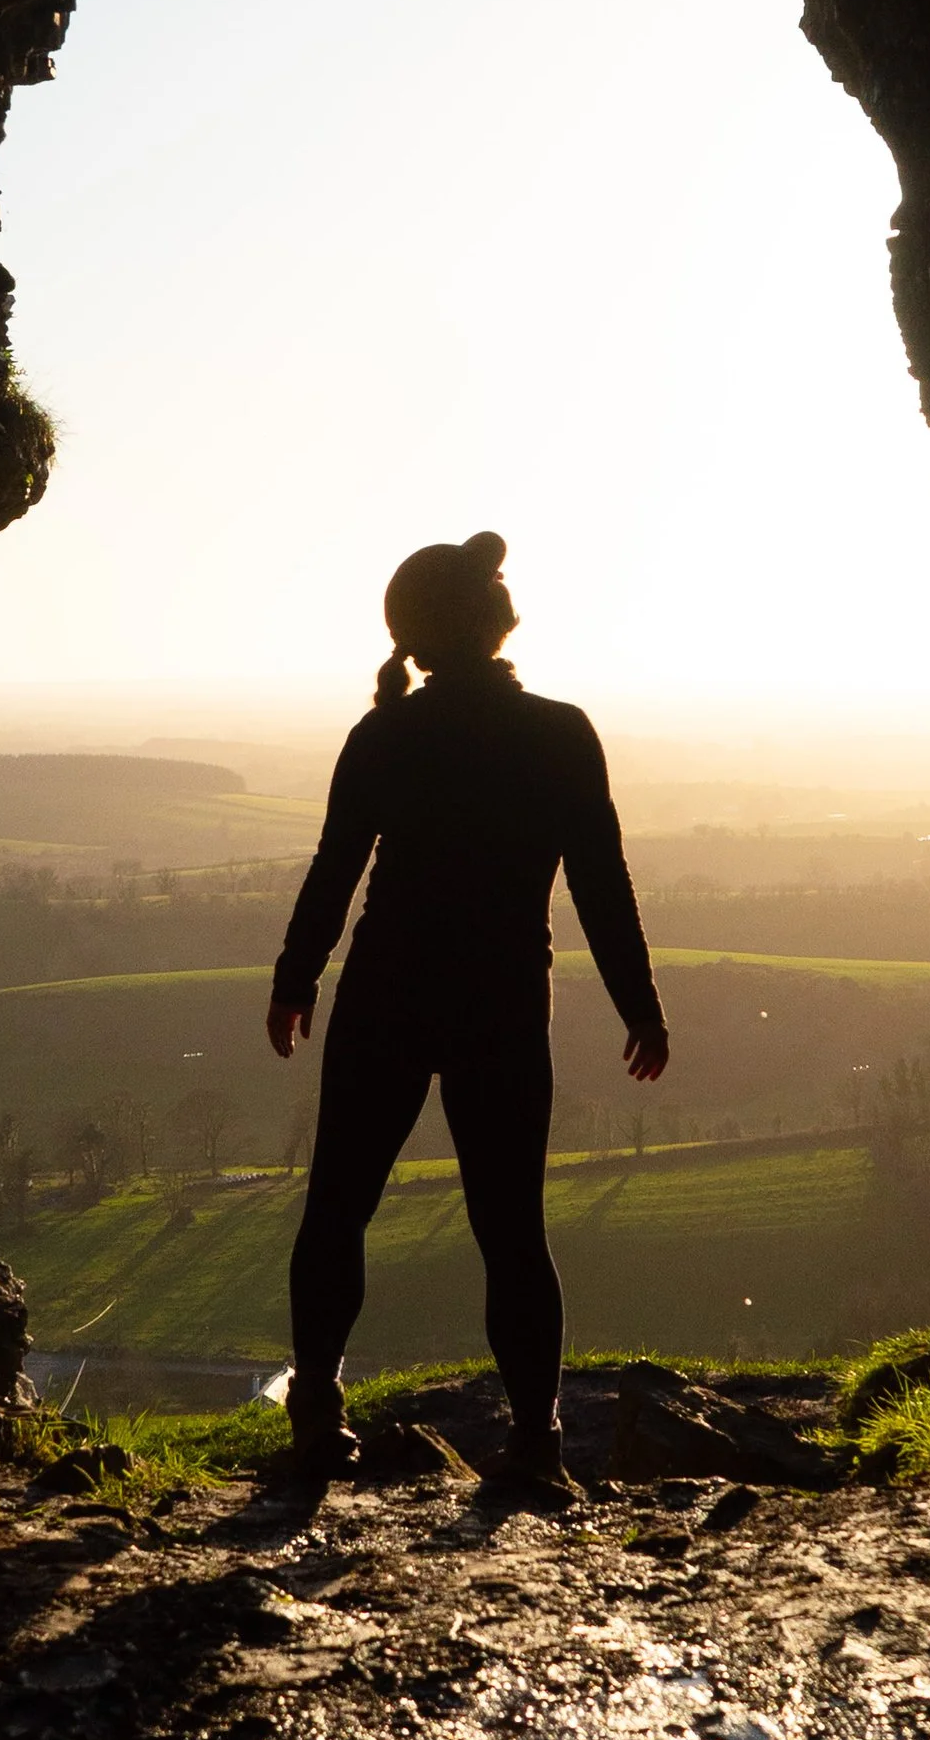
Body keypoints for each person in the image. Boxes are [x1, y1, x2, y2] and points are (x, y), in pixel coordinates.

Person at [267, 531, 670, 1488]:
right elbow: (602, 884)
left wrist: (296, 976)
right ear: (490, 621)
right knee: (511, 1228)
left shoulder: (385, 734)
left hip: (385, 996)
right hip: (500, 1004)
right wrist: (640, 1003)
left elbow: (335, 869)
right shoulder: (561, 732)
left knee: (338, 1208)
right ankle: (536, 1443)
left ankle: (317, 1414)